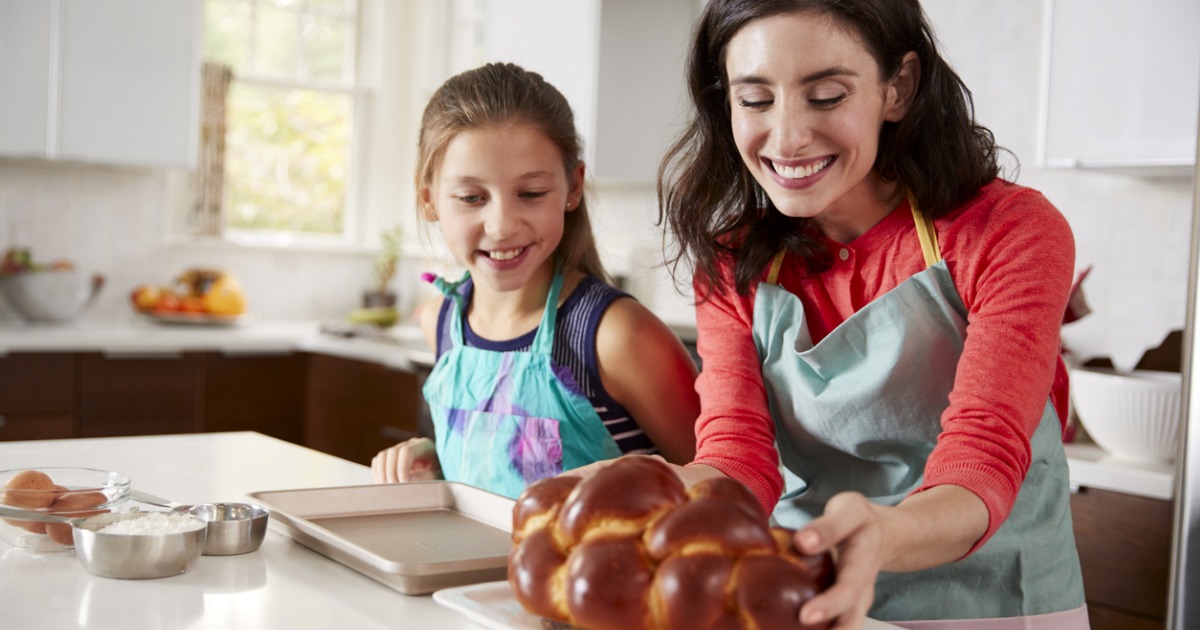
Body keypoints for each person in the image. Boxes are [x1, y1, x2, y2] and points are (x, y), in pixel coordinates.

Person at [645, 0, 1085, 627]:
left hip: (993, 602)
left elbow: (981, 459)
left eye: (825, 96)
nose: (788, 136)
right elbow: (737, 457)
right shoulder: (733, 260)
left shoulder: (1007, 232)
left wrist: (881, 536)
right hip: (807, 596)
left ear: (898, 87)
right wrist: (666, 491)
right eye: (755, 100)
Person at [370, 62, 700, 501]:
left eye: (530, 193)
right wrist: (435, 464)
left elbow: (725, 489)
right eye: (471, 198)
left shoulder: (617, 336)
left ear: (572, 187)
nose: (502, 225)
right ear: (428, 199)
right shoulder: (441, 323)